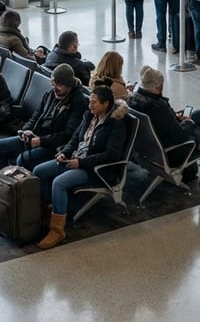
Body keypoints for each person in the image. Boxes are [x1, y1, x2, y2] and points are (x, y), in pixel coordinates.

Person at [0, 64, 89, 209]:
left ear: (69, 85)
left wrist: (41, 141)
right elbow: (36, 116)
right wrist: (25, 130)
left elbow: (68, 135)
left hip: (53, 146)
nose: (55, 87)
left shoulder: (78, 102)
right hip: (35, 138)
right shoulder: (50, 94)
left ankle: (16, 202)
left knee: (22, 159)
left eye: (59, 85)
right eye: (53, 83)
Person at [31, 83, 130, 250]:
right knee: (39, 171)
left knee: (59, 183)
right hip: (76, 160)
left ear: (106, 104)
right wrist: (65, 152)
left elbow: (111, 155)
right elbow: (75, 138)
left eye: (94, 102)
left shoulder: (115, 124)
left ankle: (57, 230)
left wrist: (81, 162)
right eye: (90, 101)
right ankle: (47, 213)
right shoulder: (89, 115)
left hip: (94, 169)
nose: (89, 105)